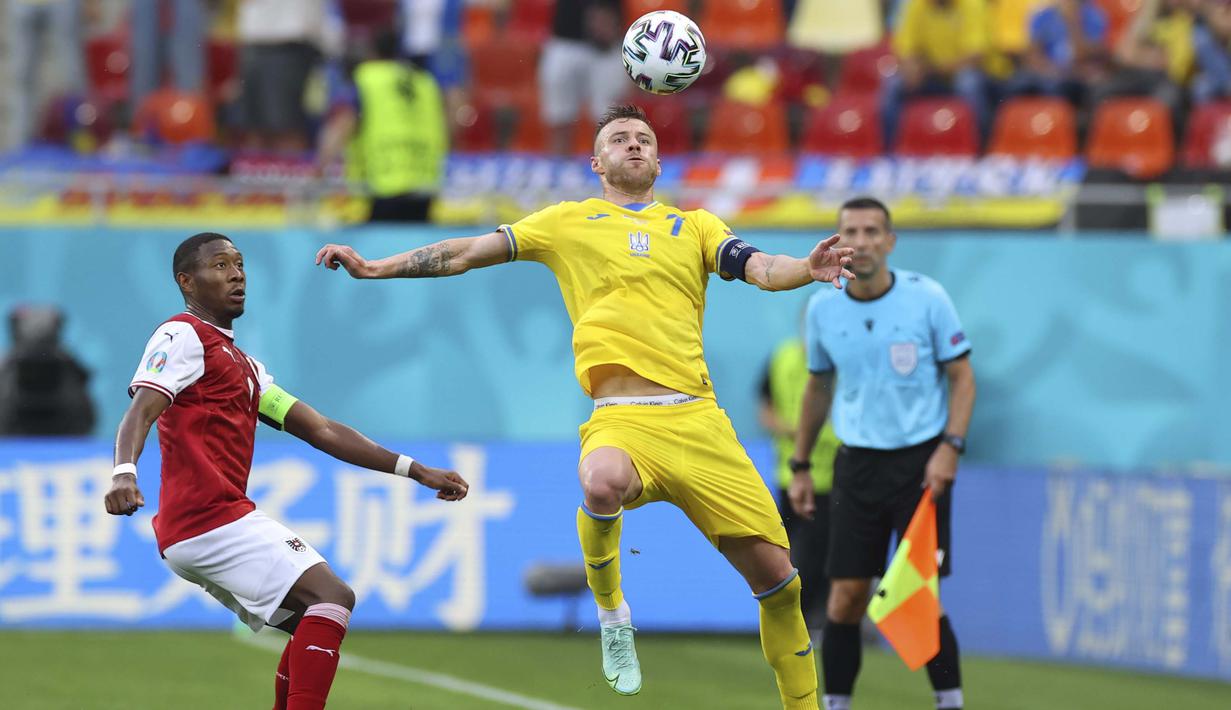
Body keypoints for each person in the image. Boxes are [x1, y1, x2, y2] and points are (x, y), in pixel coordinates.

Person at [314, 104, 856, 710]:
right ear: (596, 163)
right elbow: (466, 252)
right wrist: (376, 266)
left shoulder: (697, 226)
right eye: (619, 138)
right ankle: (613, 615)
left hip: (699, 420)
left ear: (656, 159)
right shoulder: (567, 222)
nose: (633, 144)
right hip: (621, 417)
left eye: (644, 138)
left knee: (780, 584)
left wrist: (806, 269)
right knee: (601, 482)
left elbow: (759, 268)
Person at [104, 232, 469, 710]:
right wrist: (124, 472)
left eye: (239, 264)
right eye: (220, 265)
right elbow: (143, 408)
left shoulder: (246, 368)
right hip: (209, 519)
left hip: (199, 528)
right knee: (333, 595)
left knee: (313, 624)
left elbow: (320, 429)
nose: (236, 274)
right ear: (186, 282)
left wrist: (415, 470)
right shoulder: (182, 335)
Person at [789, 197, 976, 710]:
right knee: (845, 597)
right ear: (838, 241)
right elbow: (818, 388)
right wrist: (801, 465)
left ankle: (950, 701)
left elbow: (962, 380)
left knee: (919, 596)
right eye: (852, 230)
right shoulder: (823, 306)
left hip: (921, 467)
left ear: (890, 242)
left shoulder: (928, 298)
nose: (864, 240)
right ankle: (837, 703)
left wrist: (950, 449)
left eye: (874, 231)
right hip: (857, 466)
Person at [758, 331, 842, 639]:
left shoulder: (843, 358)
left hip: (837, 475)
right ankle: (791, 619)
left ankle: (813, 621)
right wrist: (792, 431)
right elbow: (764, 407)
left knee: (821, 555)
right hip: (791, 474)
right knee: (791, 554)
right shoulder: (783, 357)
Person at [317, 29, 448, 223]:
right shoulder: (425, 81)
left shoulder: (367, 78)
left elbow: (344, 123)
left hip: (382, 182)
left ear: (372, 52)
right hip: (425, 184)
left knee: (384, 250)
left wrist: (320, 167)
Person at [539, 0, 627, 155]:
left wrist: (609, 18)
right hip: (565, 40)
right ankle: (560, 171)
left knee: (610, 120)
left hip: (607, 45)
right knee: (560, 118)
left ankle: (610, 173)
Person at [0, 305, 96, 436]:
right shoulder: (68, 361)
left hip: (16, 438)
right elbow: (86, 378)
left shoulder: (8, 363)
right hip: (66, 438)